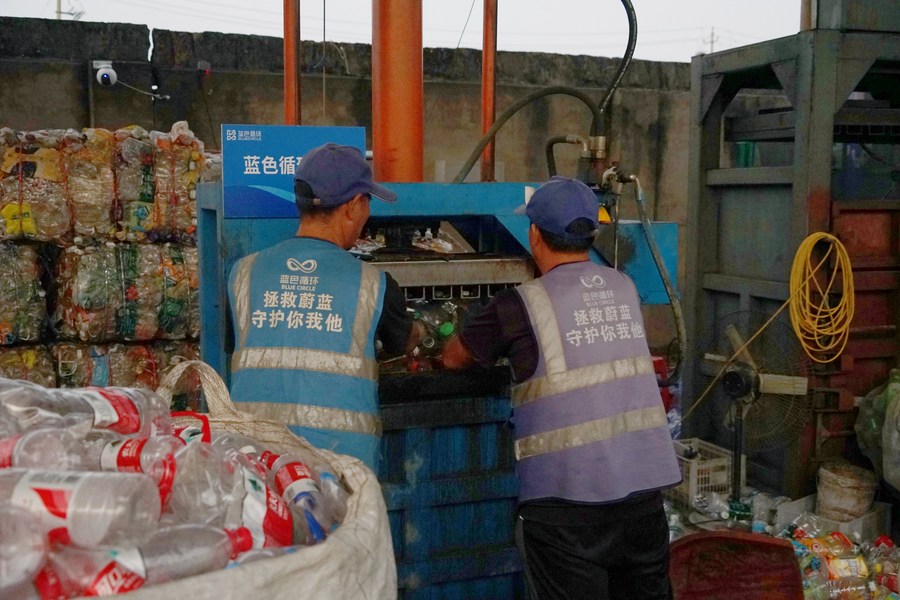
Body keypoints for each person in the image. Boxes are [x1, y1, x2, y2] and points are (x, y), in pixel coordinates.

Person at [442, 176, 682, 600]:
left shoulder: (518, 304)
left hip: (565, 508)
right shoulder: (624, 287)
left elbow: (453, 357)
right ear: (591, 233)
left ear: (534, 234)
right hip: (643, 496)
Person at [227, 142, 421, 472]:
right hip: (341, 473)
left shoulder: (242, 273)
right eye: (368, 202)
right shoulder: (374, 284)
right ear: (354, 205)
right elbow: (403, 344)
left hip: (256, 469)